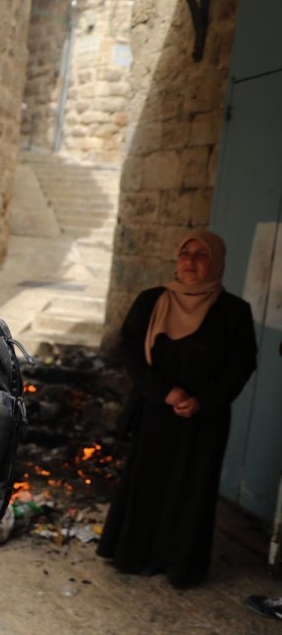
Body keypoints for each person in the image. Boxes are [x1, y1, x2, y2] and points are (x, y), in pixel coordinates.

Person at [97, 230, 257, 588]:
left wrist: (204, 400)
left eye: (201, 255)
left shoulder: (234, 312)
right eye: (186, 252)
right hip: (156, 413)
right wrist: (165, 392)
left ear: (215, 263)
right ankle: (135, 555)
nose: (190, 261)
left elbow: (241, 365)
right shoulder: (152, 301)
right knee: (148, 483)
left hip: (205, 419)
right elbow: (132, 353)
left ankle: (179, 564)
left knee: (193, 489)